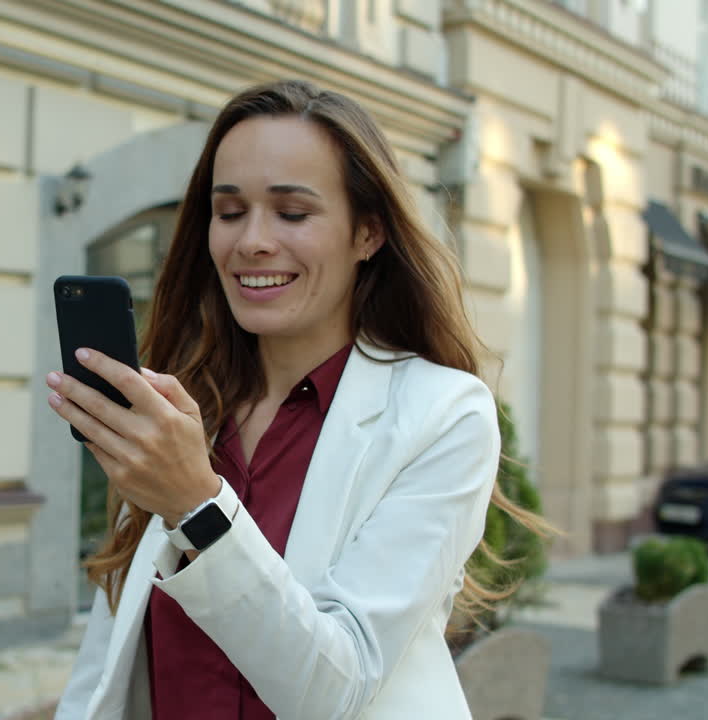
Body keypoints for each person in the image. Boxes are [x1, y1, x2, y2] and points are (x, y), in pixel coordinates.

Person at [45, 80, 543, 719]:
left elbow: (336, 689)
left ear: (368, 233)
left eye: (293, 212)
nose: (251, 240)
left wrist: (198, 505)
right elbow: (105, 661)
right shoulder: (181, 408)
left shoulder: (445, 415)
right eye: (229, 212)